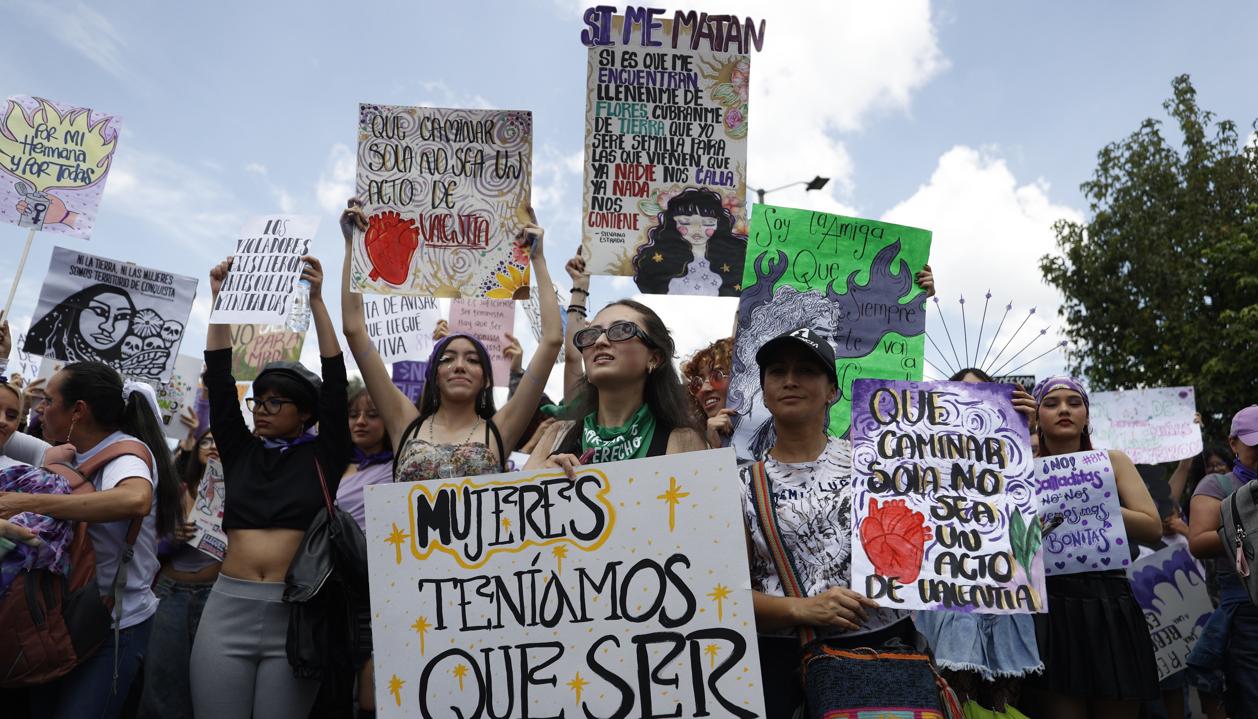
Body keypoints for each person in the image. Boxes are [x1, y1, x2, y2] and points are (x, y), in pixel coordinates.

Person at [740, 327, 942, 718]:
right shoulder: (740, 485)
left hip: (885, 655)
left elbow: (957, 520)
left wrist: (1009, 428)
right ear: (763, 391)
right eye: (777, 371)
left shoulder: (883, 465)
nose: (790, 380)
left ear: (832, 390)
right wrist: (802, 609)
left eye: (806, 370)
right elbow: (724, 594)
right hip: (782, 668)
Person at [189, 254, 352, 719]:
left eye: (275, 402)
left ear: (306, 413)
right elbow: (220, 378)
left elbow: (335, 382)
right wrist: (221, 302)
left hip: (295, 616)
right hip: (226, 611)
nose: (261, 409)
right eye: (258, 401)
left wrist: (317, 300)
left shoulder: (324, 454)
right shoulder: (241, 450)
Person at [0, 362, 182, 719]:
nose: (39, 409)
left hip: (115, 627)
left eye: (48, 400)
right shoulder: (69, 451)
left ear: (78, 411)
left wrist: (26, 502)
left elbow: (135, 499)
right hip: (66, 618)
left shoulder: (126, 453)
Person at [338, 198, 562, 483]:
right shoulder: (403, 422)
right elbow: (354, 330)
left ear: (486, 379)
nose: (459, 366)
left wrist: (537, 258)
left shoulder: (501, 429)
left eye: (472, 360)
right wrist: (353, 248)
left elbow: (552, 340)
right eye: (447, 358)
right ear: (434, 374)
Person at [1023, 376, 1162, 719]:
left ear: (1086, 415)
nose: (1064, 410)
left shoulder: (1113, 462)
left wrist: (1091, 496)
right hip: (1050, 606)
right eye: (1051, 404)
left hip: (1109, 603)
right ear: (1037, 416)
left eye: (1074, 402)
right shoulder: (1021, 468)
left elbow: (1152, 526)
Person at [911, 367, 1041, 716]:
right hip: (945, 590)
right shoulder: (923, 457)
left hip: (1003, 592)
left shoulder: (1016, 453)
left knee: (1002, 705)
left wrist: (1026, 431)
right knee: (952, 698)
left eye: (983, 394)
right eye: (962, 393)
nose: (972, 401)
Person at [532, 298, 707, 475]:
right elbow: (516, 493)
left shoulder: (684, 440)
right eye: (591, 334)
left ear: (654, 359)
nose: (600, 341)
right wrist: (539, 479)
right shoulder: (556, 435)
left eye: (622, 330)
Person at [138, 417, 220, 719]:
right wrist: (172, 539)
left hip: (215, 594)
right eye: (207, 441)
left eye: (219, 441)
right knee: (163, 674)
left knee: (208, 678)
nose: (212, 446)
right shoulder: (177, 489)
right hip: (172, 592)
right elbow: (152, 543)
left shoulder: (240, 492)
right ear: (197, 449)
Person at [1187, 405, 1258, 719]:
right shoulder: (1218, 486)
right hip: (1246, 610)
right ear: (1234, 444)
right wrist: (1248, 528)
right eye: (1255, 444)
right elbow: (1199, 541)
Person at [631, 187, 746, 296]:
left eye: (708, 223)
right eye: (685, 222)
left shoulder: (733, 260)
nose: (696, 229)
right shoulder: (659, 261)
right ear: (672, 224)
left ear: (718, 225)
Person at [682, 337, 736, 449]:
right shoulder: (691, 448)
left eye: (717, 376)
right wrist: (714, 450)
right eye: (697, 383)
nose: (704, 389)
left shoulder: (772, 428)